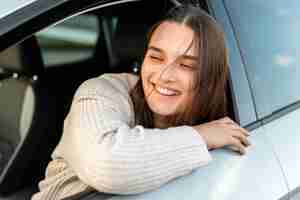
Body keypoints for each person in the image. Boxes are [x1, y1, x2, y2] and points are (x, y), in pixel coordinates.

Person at [32, 4, 250, 200]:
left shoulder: (228, 128)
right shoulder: (100, 93)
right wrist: (202, 136)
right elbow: (107, 164)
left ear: (210, 78)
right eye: (156, 57)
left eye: (186, 65)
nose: (164, 75)